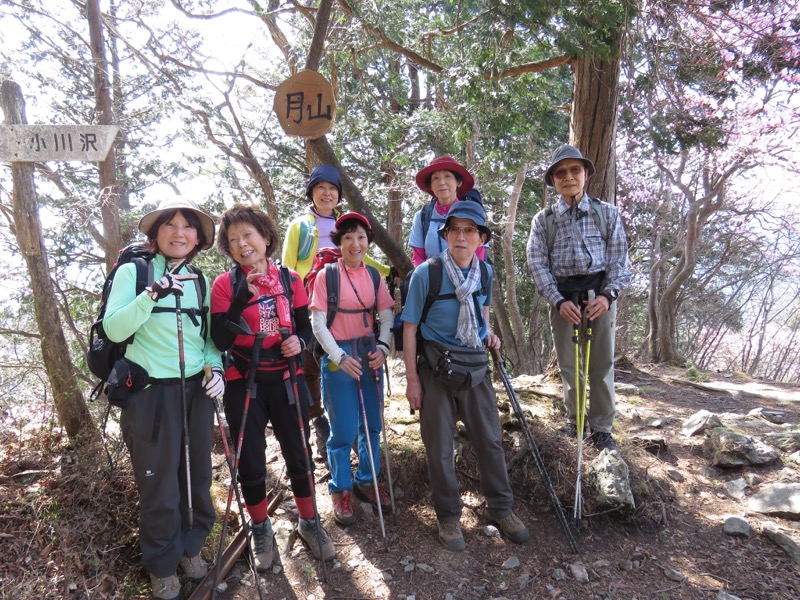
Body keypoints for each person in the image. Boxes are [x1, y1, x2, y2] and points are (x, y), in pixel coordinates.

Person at [103, 198, 223, 600]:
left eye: (188, 226)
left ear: (198, 238)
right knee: (159, 488)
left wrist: (216, 368)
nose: (179, 232)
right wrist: (152, 293)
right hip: (151, 397)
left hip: (196, 395)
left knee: (197, 479)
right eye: (169, 225)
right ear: (156, 234)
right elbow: (115, 329)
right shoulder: (134, 272)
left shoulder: (199, 280)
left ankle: (190, 547)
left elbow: (206, 339)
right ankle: (161, 565)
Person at [210, 203, 336, 569]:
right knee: (249, 462)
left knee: (299, 453)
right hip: (241, 382)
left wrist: (298, 342)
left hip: (285, 378)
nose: (242, 244)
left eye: (248, 234)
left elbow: (302, 328)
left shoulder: (290, 281)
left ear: (266, 237)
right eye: (233, 240)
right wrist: (241, 298)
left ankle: (310, 522)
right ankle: (260, 527)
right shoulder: (225, 284)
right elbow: (219, 338)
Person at [401, 202, 529, 552]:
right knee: (440, 447)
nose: (461, 236)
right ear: (445, 236)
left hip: (474, 366)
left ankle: (501, 508)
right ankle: (448, 516)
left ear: (480, 238)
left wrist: (488, 333)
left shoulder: (484, 272)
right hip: (435, 368)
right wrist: (412, 379)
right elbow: (410, 328)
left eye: (469, 230)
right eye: (454, 230)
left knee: (489, 440)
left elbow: (482, 310)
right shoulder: (427, 273)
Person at [525, 144, 632, 451]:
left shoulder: (607, 214)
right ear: (553, 181)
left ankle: (601, 426)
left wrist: (608, 296)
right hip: (562, 297)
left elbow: (619, 262)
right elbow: (537, 263)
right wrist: (557, 300)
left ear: (585, 174)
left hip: (599, 296)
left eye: (575, 170)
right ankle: (575, 419)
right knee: (570, 366)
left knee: (600, 365)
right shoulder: (543, 221)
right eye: (560, 172)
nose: (568, 177)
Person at [282, 165, 389, 463]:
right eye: (320, 188)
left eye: (333, 188)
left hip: (341, 305)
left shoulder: (345, 226)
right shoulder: (302, 226)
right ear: (312, 192)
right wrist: (288, 307)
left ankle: (346, 430)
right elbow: (288, 266)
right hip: (307, 303)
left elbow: (362, 259)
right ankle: (318, 423)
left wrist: (388, 271)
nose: (327, 193)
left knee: (340, 364)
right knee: (311, 367)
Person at [309, 212, 395, 525]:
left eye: (361, 237)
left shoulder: (374, 276)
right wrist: (338, 357)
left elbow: (386, 315)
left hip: (370, 353)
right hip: (339, 357)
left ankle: (367, 480)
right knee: (343, 429)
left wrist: (384, 347)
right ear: (340, 242)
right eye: (348, 238)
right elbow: (317, 322)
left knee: (372, 425)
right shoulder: (326, 276)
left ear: (367, 242)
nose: (355, 244)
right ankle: (340, 488)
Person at [409, 155, 486, 265]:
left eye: (447, 176)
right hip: (429, 279)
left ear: (458, 182)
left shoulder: (473, 214)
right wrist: (425, 279)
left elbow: (479, 256)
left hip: (467, 280)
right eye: (435, 178)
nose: (441, 182)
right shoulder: (422, 216)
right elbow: (418, 257)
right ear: (431, 185)